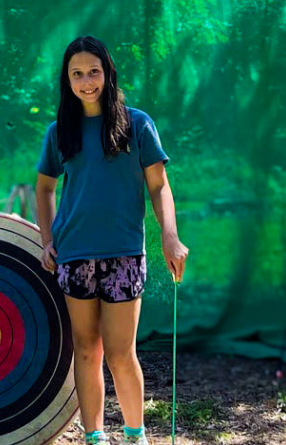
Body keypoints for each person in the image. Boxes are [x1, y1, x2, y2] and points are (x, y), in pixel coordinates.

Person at [35, 35, 189, 445]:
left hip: (123, 256)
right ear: (67, 80)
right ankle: (95, 437)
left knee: (121, 353)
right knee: (86, 351)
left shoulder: (137, 124)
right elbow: (45, 189)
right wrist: (48, 240)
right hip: (74, 257)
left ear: (109, 74)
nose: (87, 81)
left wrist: (170, 238)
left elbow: (159, 186)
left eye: (94, 72)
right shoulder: (59, 131)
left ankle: (136, 436)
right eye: (77, 74)